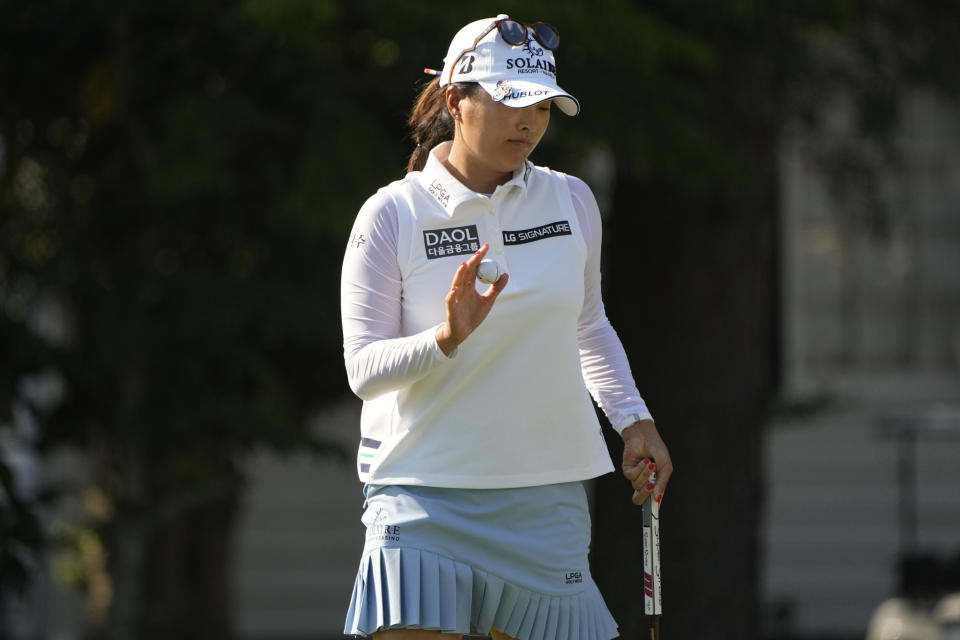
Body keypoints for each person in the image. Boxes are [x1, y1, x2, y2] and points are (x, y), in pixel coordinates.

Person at [340, 15, 672, 640]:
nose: (529, 121)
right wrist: (446, 337)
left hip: (545, 497)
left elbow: (588, 324)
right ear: (454, 101)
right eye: (510, 102)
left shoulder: (571, 200)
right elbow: (363, 370)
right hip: (423, 501)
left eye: (543, 106)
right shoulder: (392, 213)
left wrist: (634, 420)